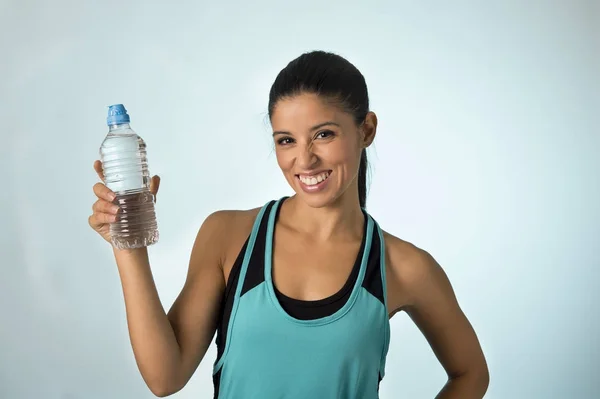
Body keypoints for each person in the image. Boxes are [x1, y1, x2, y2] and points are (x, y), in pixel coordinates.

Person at [89, 50, 489, 398]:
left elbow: (471, 374)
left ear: (365, 130)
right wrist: (127, 246)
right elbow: (165, 377)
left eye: (323, 135)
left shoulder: (404, 267)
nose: (305, 159)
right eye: (286, 140)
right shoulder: (229, 237)